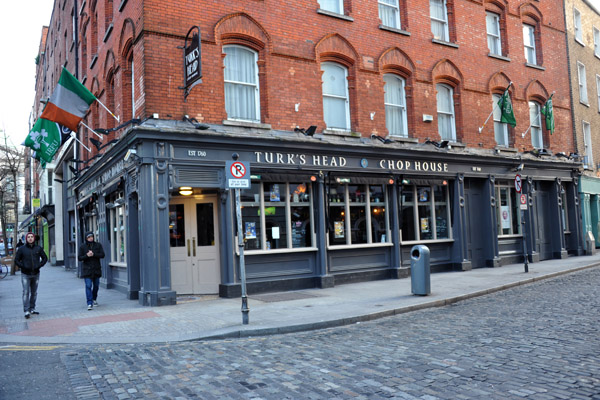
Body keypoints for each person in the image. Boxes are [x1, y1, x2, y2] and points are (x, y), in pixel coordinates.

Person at [14, 232, 48, 319]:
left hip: (36, 273)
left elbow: (45, 258)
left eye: (31, 237)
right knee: (26, 292)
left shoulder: (38, 248)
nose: (30, 238)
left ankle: (32, 308)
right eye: (28, 237)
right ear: (26, 239)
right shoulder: (22, 249)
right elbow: (16, 260)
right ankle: (26, 310)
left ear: (34, 238)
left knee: (34, 293)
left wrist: (39, 265)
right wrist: (23, 266)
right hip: (25, 274)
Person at [78, 231, 105, 310]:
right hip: (87, 270)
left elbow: (102, 255)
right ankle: (89, 303)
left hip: (96, 269)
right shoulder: (82, 247)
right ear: (86, 238)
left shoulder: (98, 245)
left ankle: (94, 298)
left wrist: (94, 254)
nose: (90, 238)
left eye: (91, 237)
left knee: (96, 286)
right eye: (89, 237)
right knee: (88, 285)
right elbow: (79, 258)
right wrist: (87, 255)